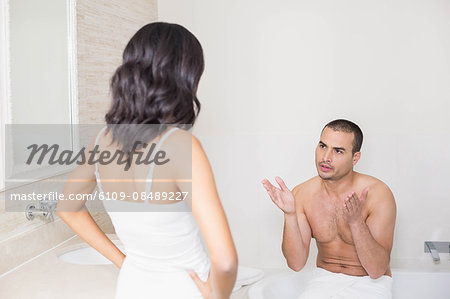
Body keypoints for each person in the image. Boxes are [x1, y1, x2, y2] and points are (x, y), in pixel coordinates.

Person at [57, 22, 238, 299]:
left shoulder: (101, 140)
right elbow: (225, 262)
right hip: (186, 289)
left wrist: (124, 262)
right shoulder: (181, 146)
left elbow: (68, 209)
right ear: (185, 76)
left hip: (132, 286)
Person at [262, 119, 396, 299]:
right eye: (323, 146)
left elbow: (377, 270)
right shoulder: (302, 194)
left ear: (355, 158)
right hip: (323, 281)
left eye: (338, 151)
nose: (326, 157)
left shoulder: (378, 194)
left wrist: (356, 222)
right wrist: (290, 214)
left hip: (370, 283)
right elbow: (296, 264)